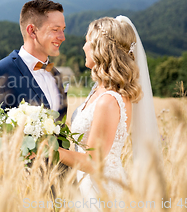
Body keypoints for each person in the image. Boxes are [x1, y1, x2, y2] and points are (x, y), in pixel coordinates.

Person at [57, 16, 160, 207]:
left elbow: (93, 162)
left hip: (100, 189)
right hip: (86, 184)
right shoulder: (99, 90)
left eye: (87, 41)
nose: (83, 47)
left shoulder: (109, 100)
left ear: (101, 48)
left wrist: (50, 150)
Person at [0, 0, 68, 142]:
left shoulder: (56, 75)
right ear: (32, 31)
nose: (62, 37)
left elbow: (60, 137)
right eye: (55, 29)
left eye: (63, 30)